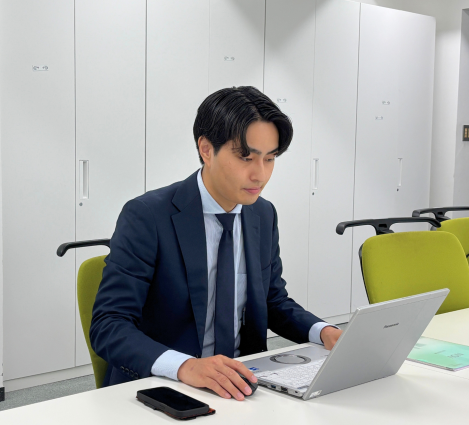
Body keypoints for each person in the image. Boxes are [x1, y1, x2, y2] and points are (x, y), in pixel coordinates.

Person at [90, 86, 342, 400]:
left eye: (270, 159)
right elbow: (109, 324)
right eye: (246, 157)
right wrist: (185, 366)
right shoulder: (148, 216)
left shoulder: (262, 214)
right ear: (207, 149)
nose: (260, 175)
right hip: (164, 386)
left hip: (242, 385)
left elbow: (273, 301)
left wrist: (324, 331)